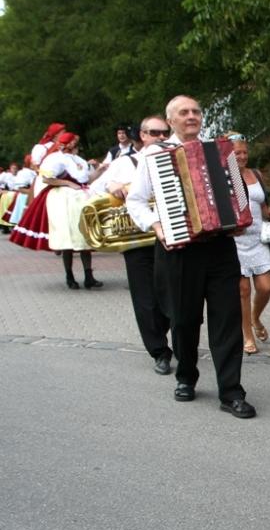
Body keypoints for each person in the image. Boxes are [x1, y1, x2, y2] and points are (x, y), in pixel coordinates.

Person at [126, 95, 256, 419]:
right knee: (183, 319)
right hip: (179, 249)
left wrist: (238, 216)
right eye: (183, 112)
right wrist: (157, 225)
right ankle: (186, 376)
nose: (191, 116)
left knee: (227, 320)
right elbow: (136, 200)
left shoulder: (220, 150)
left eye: (195, 111)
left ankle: (231, 392)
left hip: (220, 247)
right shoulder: (155, 155)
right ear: (171, 120)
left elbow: (238, 194)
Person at [91, 115, 174, 375]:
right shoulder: (124, 162)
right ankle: (159, 351)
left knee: (173, 294)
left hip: (172, 235)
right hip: (137, 239)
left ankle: (175, 339)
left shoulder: (176, 158)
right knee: (145, 298)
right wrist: (112, 184)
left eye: (165, 132)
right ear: (143, 136)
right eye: (154, 133)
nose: (161, 137)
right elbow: (95, 187)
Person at [227, 132, 270, 355]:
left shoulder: (256, 174)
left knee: (265, 287)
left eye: (244, 152)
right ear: (228, 155)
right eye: (237, 153)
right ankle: (247, 336)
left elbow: (263, 206)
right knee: (243, 291)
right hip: (235, 240)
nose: (242, 157)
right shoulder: (225, 178)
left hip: (257, 238)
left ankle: (255, 317)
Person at [41, 132, 103, 289]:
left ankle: (89, 276)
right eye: (74, 141)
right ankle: (69, 276)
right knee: (67, 238)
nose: (76, 144)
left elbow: (87, 179)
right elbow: (46, 179)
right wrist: (68, 183)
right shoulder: (56, 159)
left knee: (85, 237)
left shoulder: (78, 159)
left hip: (81, 198)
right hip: (64, 200)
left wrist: (100, 170)